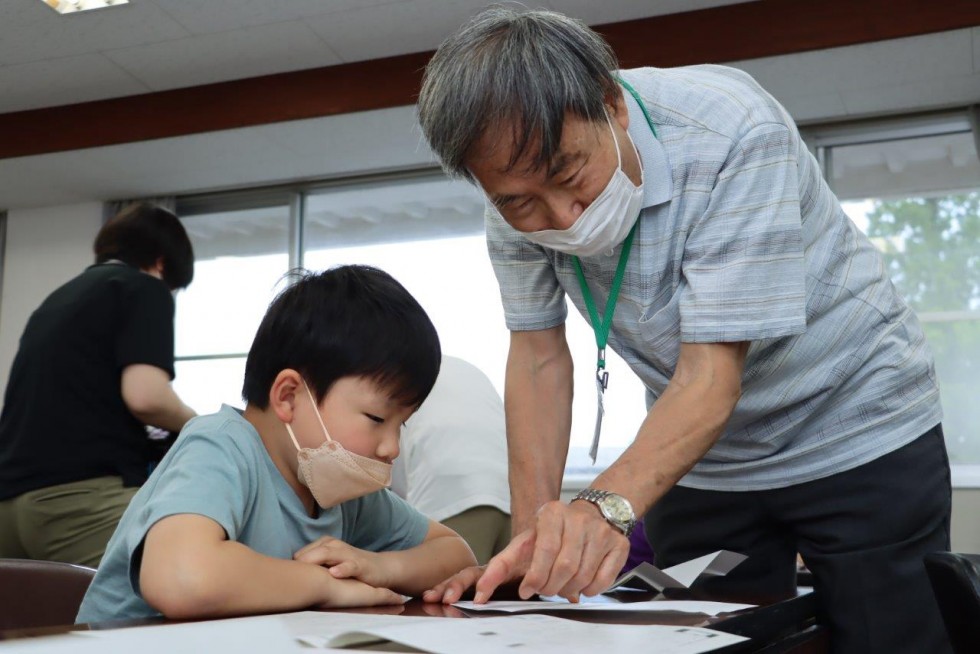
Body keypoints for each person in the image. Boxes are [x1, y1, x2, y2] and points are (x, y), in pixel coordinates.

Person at [416, 8, 951, 654]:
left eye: (568, 175)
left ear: (612, 105)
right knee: (700, 640)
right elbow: (537, 357)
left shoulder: (731, 131)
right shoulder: (512, 201)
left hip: (854, 422)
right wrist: (538, 540)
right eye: (520, 201)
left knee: (886, 639)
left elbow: (711, 373)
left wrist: (604, 508)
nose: (559, 215)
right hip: (704, 458)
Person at [76, 265, 476, 622]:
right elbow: (181, 577)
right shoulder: (220, 446)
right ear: (288, 396)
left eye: (401, 426)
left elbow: (455, 555)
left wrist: (376, 566)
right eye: (376, 418)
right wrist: (325, 584)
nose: (391, 448)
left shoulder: (340, 488)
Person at [0, 203, 197, 568]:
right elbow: (146, 396)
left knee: (31, 621)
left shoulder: (56, 300)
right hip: (78, 501)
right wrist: (199, 424)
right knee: (176, 591)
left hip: (9, 505)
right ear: (161, 264)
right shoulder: (143, 288)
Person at [391, 355, 511, 565]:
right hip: (510, 494)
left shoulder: (389, 373)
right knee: (509, 593)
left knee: (438, 593)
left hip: (449, 496)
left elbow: (388, 470)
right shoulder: (459, 368)